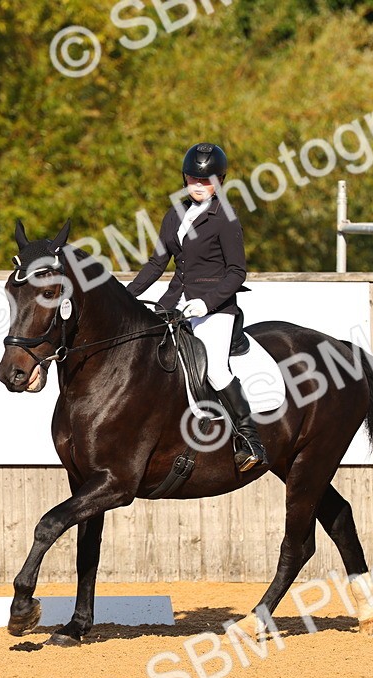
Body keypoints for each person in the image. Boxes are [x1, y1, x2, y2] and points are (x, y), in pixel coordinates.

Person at [125, 142, 268, 472]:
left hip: (215, 309)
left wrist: (206, 302)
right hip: (174, 304)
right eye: (193, 180)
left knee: (215, 369)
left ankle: (250, 440)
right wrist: (127, 296)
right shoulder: (173, 215)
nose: (199, 186)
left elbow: (236, 272)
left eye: (206, 181)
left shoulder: (225, 219)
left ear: (219, 181)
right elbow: (156, 263)